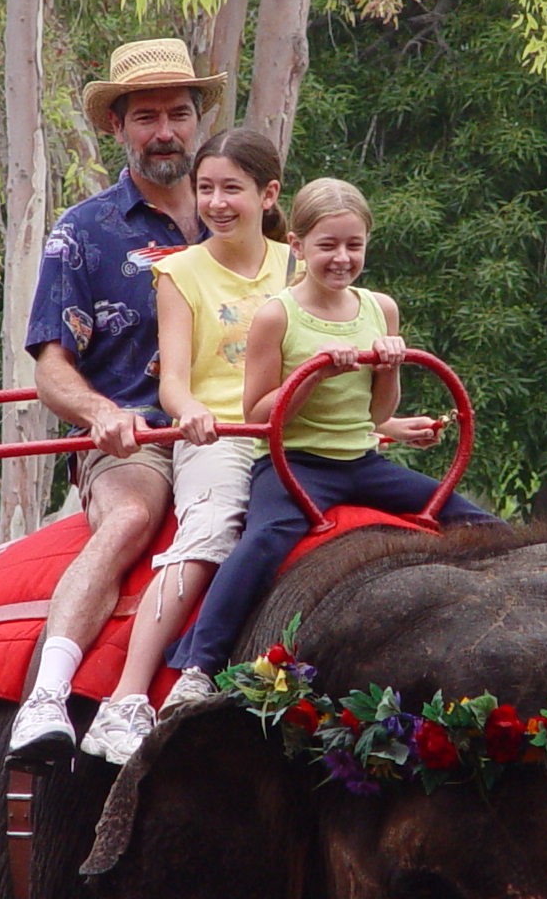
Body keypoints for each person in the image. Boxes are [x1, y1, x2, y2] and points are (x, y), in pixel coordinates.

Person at [162, 178, 496, 702]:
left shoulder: (378, 308)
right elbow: (259, 412)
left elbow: (379, 413)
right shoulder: (278, 315)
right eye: (327, 245)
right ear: (297, 246)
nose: (342, 258)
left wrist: (389, 367)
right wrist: (315, 374)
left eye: (353, 245)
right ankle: (198, 666)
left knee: (467, 515)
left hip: (360, 461)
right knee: (263, 542)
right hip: (294, 465)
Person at [7, 38, 226, 765]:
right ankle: (48, 698)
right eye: (147, 117)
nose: (165, 132)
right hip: (143, 441)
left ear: (200, 120)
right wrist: (104, 415)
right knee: (133, 514)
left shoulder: (238, 216)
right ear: (118, 127)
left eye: (179, 114)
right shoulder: (85, 232)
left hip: (239, 428)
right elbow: (51, 370)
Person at [78, 129, 291, 763]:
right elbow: (171, 382)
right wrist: (193, 411)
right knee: (213, 525)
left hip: (293, 430)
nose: (217, 203)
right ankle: (127, 697)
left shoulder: (298, 266)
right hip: (220, 431)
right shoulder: (179, 272)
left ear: (269, 195)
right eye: (206, 189)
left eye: (232, 189)